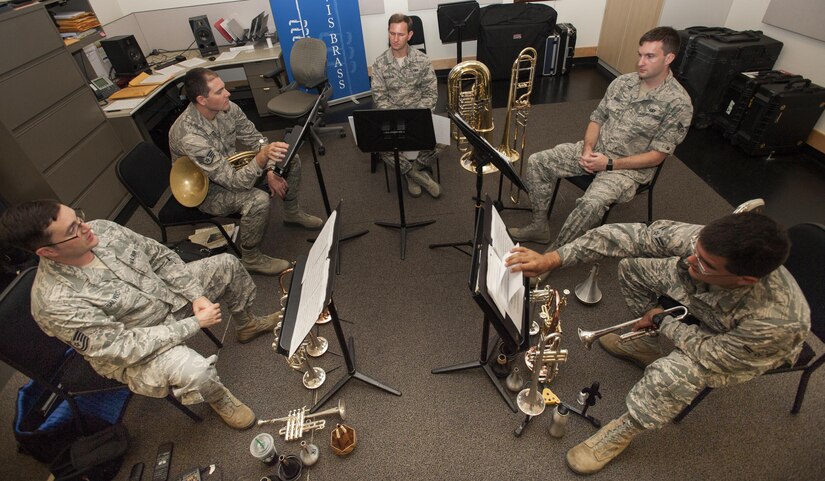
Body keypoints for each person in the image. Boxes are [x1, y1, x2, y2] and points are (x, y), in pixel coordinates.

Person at [505, 213, 810, 474]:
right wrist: (554, 258)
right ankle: (645, 346)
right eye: (696, 251)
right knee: (632, 268)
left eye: (704, 263)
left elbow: (711, 354)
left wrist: (664, 321)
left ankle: (623, 431)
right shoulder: (703, 246)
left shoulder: (778, 323)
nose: (690, 260)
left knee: (673, 375)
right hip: (702, 303)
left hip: (733, 350)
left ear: (744, 280)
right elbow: (629, 237)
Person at [0, 200, 280, 430]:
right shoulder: (54, 302)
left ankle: (247, 324)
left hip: (167, 299)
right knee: (194, 371)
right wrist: (193, 323)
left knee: (227, 265)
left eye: (78, 217)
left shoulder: (102, 231)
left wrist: (197, 295)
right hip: (136, 349)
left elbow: (160, 256)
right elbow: (123, 346)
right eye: (73, 229)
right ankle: (220, 399)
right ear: (47, 252)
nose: (86, 227)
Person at [509, 26, 693, 248]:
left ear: (669, 58)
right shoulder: (623, 83)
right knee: (538, 162)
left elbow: (656, 156)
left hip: (628, 169)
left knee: (591, 204)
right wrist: (587, 149)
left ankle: (554, 256)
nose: (641, 62)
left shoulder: (678, 103)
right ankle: (539, 226)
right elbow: (597, 119)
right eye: (640, 55)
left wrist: (608, 164)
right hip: (597, 151)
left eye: (650, 56)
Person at [169, 67, 322, 276]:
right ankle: (250, 257)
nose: (228, 93)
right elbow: (235, 182)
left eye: (224, 88)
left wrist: (270, 169)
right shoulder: (190, 136)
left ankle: (292, 212)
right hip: (207, 190)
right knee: (257, 200)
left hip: (231, 169)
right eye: (220, 91)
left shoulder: (227, 108)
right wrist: (261, 159)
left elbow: (257, 139)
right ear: (202, 100)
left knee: (289, 159)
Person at [371, 13, 442, 198]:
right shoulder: (379, 64)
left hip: (418, 117)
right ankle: (416, 175)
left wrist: (416, 119)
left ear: (409, 35)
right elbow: (380, 98)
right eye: (392, 33)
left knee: (445, 136)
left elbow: (430, 93)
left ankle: (411, 171)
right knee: (377, 143)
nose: (395, 39)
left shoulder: (423, 60)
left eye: (400, 34)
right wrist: (397, 121)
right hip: (393, 120)